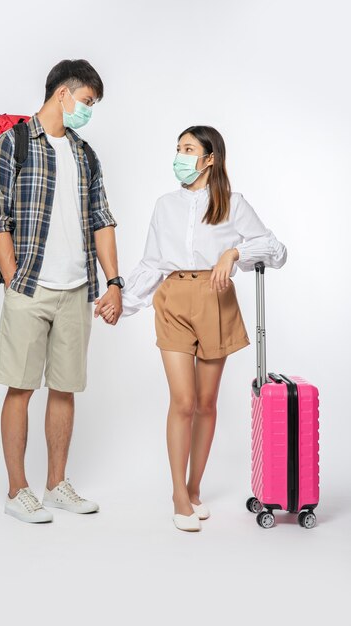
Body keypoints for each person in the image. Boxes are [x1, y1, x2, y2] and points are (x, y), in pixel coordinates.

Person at [98, 125, 287, 531]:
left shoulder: (233, 204)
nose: (180, 156)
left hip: (215, 300)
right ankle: (178, 495)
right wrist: (123, 302)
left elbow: (276, 250)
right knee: (182, 401)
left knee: (206, 403)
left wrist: (233, 252)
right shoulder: (164, 204)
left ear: (209, 158)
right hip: (173, 301)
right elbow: (152, 263)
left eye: (188, 149)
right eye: (177, 148)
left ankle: (195, 487)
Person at [0, 59, 125, 524]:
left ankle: (57, 484)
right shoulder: (13, 143)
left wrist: (114, 282)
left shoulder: (86, 154)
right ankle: (17, 490)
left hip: (77, 288)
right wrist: (14, 278)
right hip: (31, 287)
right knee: (20, 388)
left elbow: (102, 219)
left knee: (65, 389)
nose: (88, 111)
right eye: (86, 101)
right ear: (63, 93)